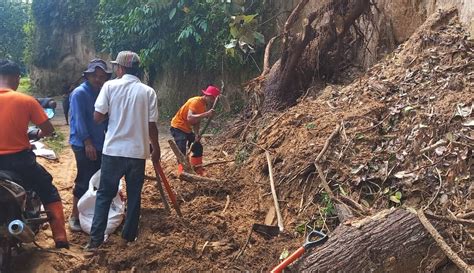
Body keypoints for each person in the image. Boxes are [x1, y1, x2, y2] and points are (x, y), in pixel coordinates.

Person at [85, 51, 161, 250]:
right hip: (137, 153)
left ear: (120, 68)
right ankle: (128, 238)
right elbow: (152, 125)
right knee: (134, 195)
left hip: (113, 152)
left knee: (104, 194)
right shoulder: (148, 92)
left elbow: (97, 116)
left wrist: (113, 111)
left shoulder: (110, 86)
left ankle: (95, 242)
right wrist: (156, 148)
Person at [0, 59, 69, 248]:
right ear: (16, 78)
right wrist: (38, 133)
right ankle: (61, 239)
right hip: (20, 162)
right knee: (48, 190)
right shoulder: (26, 100)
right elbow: (47, 129)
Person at [68, 59, 111, 232]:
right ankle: (74, 215)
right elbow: (78, 121)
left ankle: (90, 214)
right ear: (87, 76)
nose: (98, 79)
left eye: (101, 77)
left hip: (99, 143)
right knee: (84, 179)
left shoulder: (102, 93)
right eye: (94, 76)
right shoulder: (79, 93)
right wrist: (87, 143)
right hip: (83, 143)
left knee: (97, 180)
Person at [170, 85, 219, 175]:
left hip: (187, 129)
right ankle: (182, 172)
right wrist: (206, 114)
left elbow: (196, 121)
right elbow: (190, 118)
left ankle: (197, 169)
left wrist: (196, 134)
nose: (212, 101)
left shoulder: (203, 106)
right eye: (212, 99)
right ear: (207, 95)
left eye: (213, 99)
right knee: (181, 151)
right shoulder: (195, 102)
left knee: (198, 147)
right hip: (178, 127)